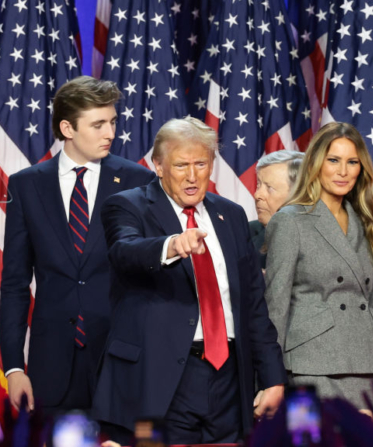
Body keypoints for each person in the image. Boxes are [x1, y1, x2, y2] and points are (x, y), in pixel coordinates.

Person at [90, 117, 286, 444]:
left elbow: (253, 304)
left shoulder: (232, 214)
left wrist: (272, 379)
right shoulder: (127, 205)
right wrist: (171, 245)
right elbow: (124, 251)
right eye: (181, 165)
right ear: (158, 165)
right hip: (160, 380)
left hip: (228, 380)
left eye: (201, 164)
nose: (193, 176)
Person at [0, 77, 156, 414]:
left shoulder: (138, 181)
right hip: (51, 366)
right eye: (98, 124)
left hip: (122, 360)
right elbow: (14, 283)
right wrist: (13, 367)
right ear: (67, 128)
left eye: (112, 122)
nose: (110, 133)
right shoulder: (26, 185)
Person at [263, 122, 373, 434]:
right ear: (316, 164)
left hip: (371, 369)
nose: (343, 171)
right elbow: (276, 310)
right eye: (333, 160)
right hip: (307, 372)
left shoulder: (367, 224)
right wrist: (271, 381)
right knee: (306, 443)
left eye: (352, 162)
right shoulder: (289, 221)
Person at [250, 150, 305, 268]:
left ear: (297, 193)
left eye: (269, 188)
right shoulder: (246, 233)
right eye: (258, 185)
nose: (257, 195)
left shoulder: (321, 241)